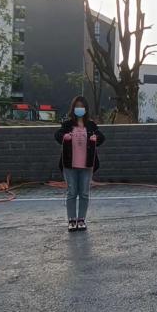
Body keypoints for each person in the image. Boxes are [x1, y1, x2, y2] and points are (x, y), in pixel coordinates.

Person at [55, 96, 105, 231]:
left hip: (87, 165)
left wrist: (96, 137)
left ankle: (81, 219)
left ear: (86, 109)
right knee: (71, 192)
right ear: (73, 108)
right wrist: (64, 137)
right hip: (69, 165)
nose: (79, 109)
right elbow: (57, 135)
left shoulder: (91, 125)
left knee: (84, 193)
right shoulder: (67, 124)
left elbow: (101, 137)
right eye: (77, 106)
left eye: (82, 106)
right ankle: (72, 220)